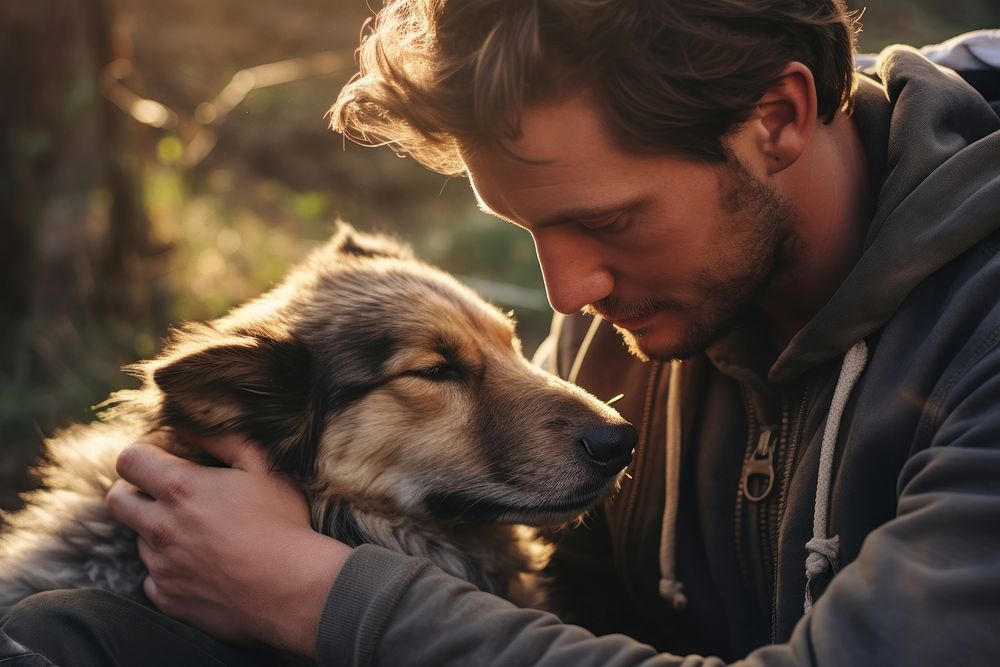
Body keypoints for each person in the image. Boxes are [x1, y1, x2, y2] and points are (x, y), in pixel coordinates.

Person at [3, 2, 1000, 665]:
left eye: (605, 221)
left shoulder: (978, 329)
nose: (566, 295)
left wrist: (323, 595)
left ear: (778, 116)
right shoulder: (654, 310)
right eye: (530, 231)